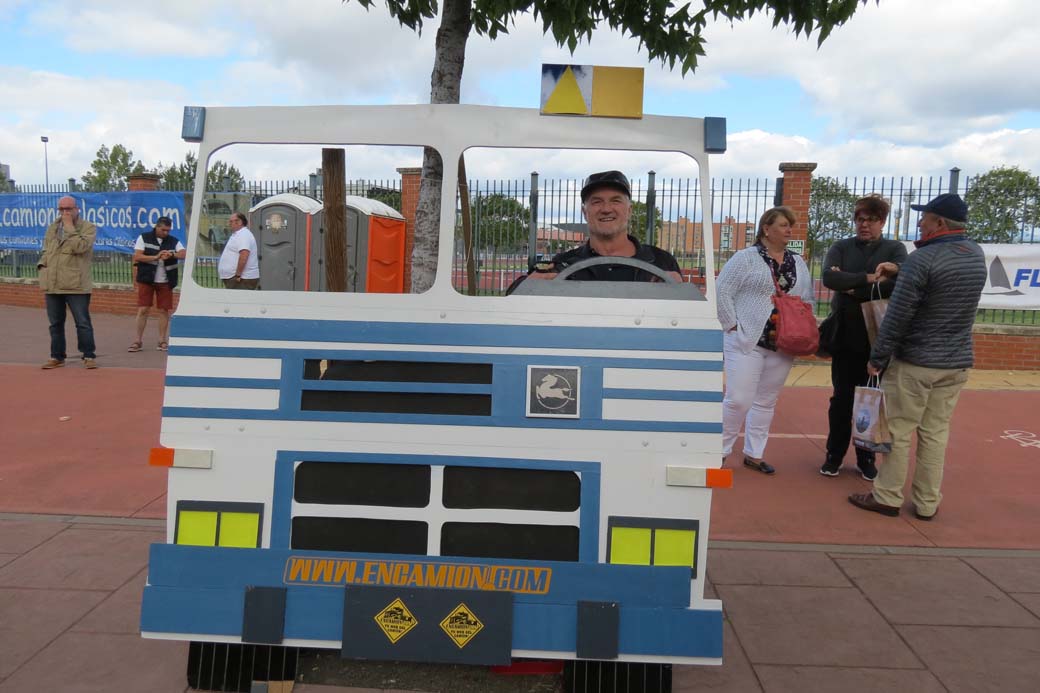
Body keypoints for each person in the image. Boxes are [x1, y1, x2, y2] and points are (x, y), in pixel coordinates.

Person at [849, 193, 986, 520]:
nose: (920, 223)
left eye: (925, 218)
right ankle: (927, 502)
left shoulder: (921, 260)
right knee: (935, 433)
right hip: (956, 362)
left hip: (916, 362)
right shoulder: (975, 255)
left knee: (898, 430)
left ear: (939, 223)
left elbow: (898, 315)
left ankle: (888, 496)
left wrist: (878, 357)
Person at [716, 206, 815, 474]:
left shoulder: (798, 262)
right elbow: (722, 290)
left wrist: (805, 326)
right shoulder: (745, 258)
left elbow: (807, 299)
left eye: (790, 226)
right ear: (766, 229)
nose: (788, 230)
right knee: (738, 398)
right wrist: (732, 326)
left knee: (766, 400)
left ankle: (754, 453)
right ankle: (720, 451)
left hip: (784, 341)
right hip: (747, 338)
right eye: (783, 225)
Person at [819, 195, 907, 480]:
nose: (864, 224)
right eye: (859, 219)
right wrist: (870, 279)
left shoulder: (895, 249)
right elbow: (830, 279)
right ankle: (833, 455)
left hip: (877, 339)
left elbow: (898, 284)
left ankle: (866, 457)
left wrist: (852, 285)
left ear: (881, 221)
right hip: (844, 336)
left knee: (870, 399)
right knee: (842, 399)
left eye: (870, 219)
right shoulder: (841, 247)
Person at [512, 170, 682, 286]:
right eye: (596, 201)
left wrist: (682, 292)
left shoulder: (662, 262)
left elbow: (688, 316)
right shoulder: (562, 265)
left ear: (629, 210)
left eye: (615, 200)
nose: (606, 208)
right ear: (584, 212)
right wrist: (525, 287)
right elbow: (515, 307)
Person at [37, 196, 98, 369]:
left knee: (82, 322)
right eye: (62, 209)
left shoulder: (88, 227)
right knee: (55, 323)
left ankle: (88, 355)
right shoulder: (53, 227)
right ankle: (57, 356)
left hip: (76, 284)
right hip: (53, 282)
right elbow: (46, 249)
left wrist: (70, 227)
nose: (65, 213)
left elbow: (81, 247)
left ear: (77, 209)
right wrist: (43, 265)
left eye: (69, 209)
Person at [129, 216, 186, 352]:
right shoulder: (144, 237)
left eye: (168, 230)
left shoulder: (173, 241)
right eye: (163, 230)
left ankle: (162, 340)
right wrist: (155, 256)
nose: (166, 233)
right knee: (143, 309)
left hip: (166, 281)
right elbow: (137, 256)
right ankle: (137, 340)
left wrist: (171, 255)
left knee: (163, 310)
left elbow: (183, 253)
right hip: (147, 279)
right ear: (157, 227)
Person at [218, 212, 259, 289]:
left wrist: (238, 275)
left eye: (231, 221)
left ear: (239, 222)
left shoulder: (243, 234)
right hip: (238, 279)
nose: (229, 223)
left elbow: (244, 255)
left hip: (242, 279)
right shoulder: (239, 234)